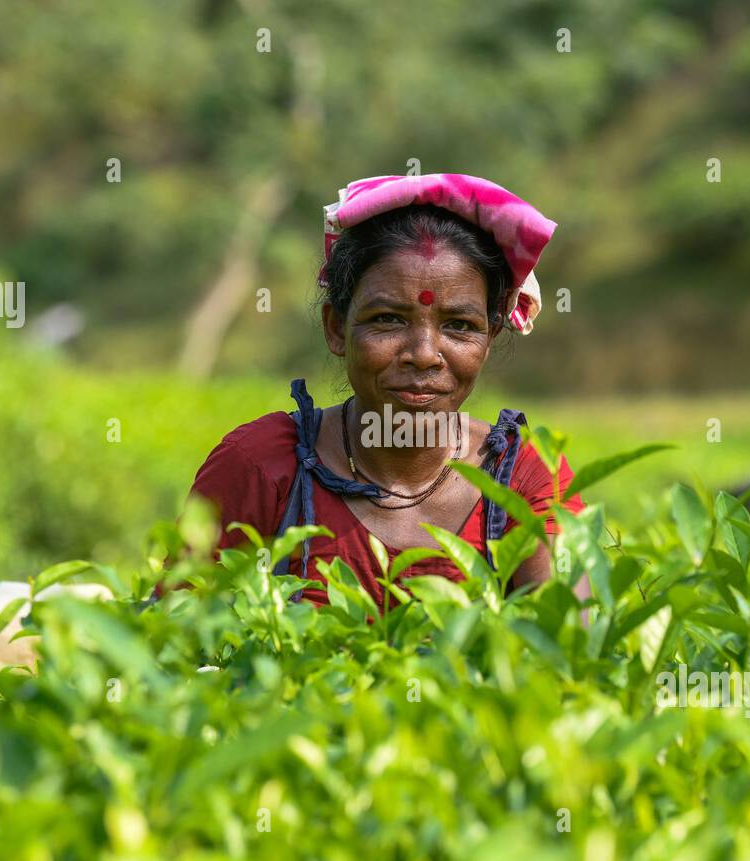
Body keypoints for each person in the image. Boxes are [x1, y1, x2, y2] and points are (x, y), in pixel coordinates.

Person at [180, 173, 588, 611]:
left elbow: (569, 650)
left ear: (488, 339)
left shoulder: (525, 477)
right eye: (388, 319)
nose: (424, 355)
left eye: (459, 326)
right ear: (337, 328)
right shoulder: (261, 465)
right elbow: (178, 642)